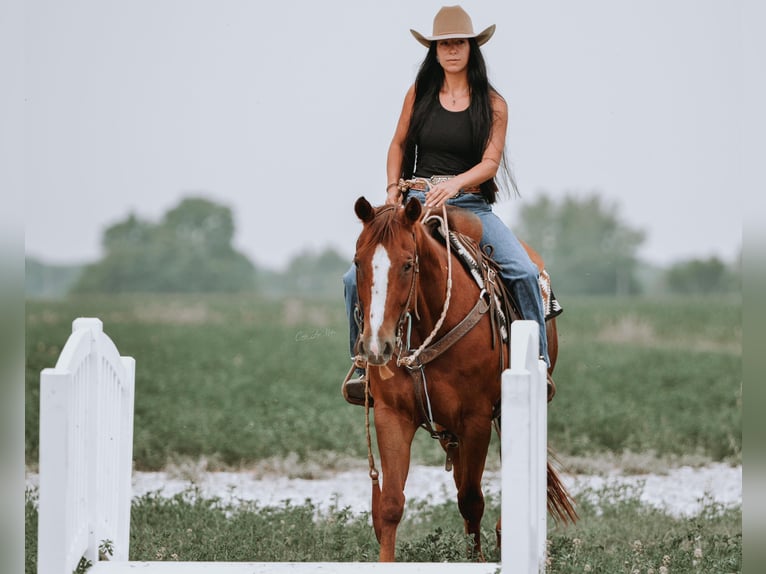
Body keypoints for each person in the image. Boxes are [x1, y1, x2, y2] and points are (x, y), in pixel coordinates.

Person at [342, 5, 551, 404]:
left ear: (471, 48)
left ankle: (536, 364)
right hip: (414, 204)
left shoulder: (493, 103)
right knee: (354, 278)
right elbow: (398, 143)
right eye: (444, 44)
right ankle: (363, 364)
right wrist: (391, 189)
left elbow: (490, 162)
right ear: (434, 51)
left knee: (523, 272)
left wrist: (455, 185)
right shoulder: (419, 94)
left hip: (471, 205)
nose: (452, 50)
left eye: (459, 43)